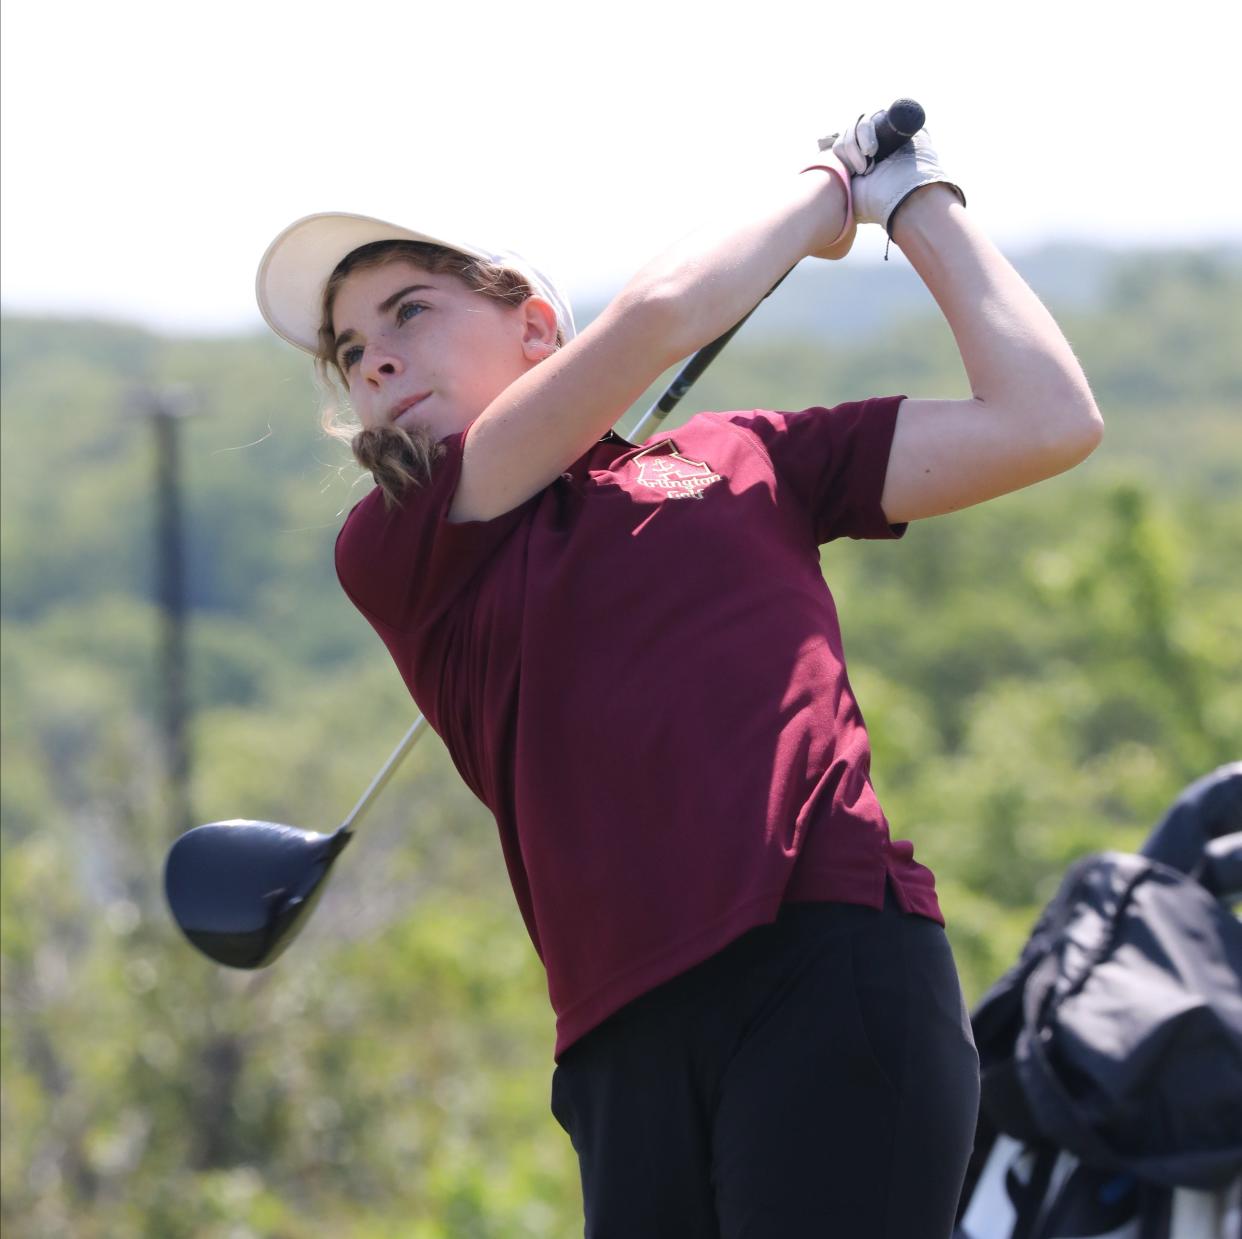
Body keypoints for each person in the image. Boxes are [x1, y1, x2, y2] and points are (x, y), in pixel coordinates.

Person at [255, 111, 1103, 1238]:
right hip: (620, 1044)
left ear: (536, 326)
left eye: (409, 310)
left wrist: (913, 201)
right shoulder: (400, 537)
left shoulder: (750, 456)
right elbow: (661, 317)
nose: (378, 361)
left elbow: (1048, 418)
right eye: (350, 351)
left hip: (831, 957)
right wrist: (823, 190)